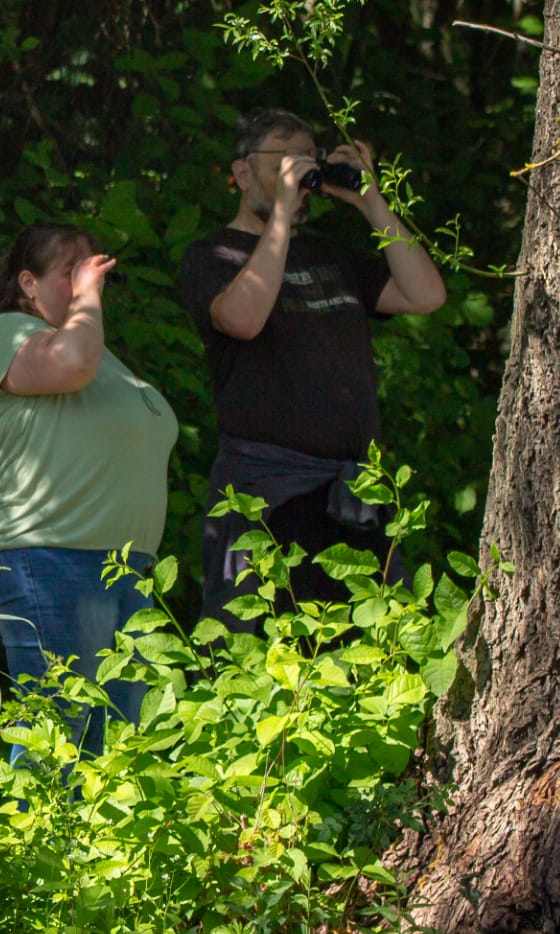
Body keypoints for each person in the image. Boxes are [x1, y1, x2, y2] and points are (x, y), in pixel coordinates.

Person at [178, 109, 448, 624]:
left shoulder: (329, 254)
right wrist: (279, 217)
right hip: (270, 494)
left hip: (352, 493)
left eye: (307, 160)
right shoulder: (211, 255)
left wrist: (372, 203)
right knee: (267, 649)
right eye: (283, 157)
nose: (297, 173)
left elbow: (426, 295)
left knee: (372, 646)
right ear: (240, 174)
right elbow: (241, 319)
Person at [0, 225, 178, 759]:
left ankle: (105, 845)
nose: (89, 282)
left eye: (92, 270)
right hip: (50, 553)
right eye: (72, 272)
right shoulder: (8, 332)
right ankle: (31, 843)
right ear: (28, 284)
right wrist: (88, 298)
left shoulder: (103, 354)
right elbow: (70, 363)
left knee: (129, 738)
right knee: (60, 730)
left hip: (121, 566)